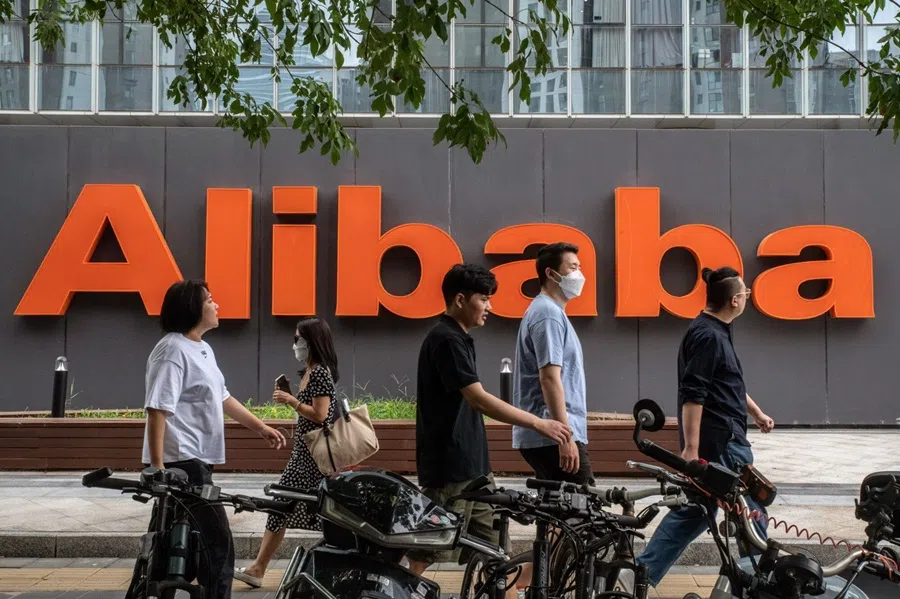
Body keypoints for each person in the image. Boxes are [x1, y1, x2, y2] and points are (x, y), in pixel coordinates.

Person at [406, 263, 572, 598]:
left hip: (473, 467)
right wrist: (539, 422)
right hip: (450, 468)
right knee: (425, 550)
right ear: (460, 299)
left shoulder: (460, 339)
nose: (489, 307)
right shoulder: (446, 339)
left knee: (496, 551)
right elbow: (479, 400)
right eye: (484, 299)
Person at [141, 279, 286, 599]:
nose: (216, 304)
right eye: (209, 300)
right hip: (182, 461)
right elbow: (157, 408)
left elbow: (223, 398)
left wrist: (261, 427)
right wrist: (157, 465)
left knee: (173, 544)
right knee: (218, 544)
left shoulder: (202, 348)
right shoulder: (172, 349)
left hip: (197, 461)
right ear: (192, 309)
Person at [634, 266, 776, 588]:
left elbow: (727, 383)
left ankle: (639, 576)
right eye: (747, 293)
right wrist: (691, 451)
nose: (749, 297)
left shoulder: (713, 330)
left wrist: (755, 412)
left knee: (697, 511)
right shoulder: (709, 335)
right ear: (736, 300)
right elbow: (693, 393)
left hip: (723, 440)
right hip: (723, 446)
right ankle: (756, 584)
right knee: (751, 514)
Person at [235, 316, 340, 588]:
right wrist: (292, 397)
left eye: (299, 339)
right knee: (285, 507)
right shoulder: (310, 371)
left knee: (316, 513)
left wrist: (291, 400)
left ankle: (265, 569)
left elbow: (321, 415)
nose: (295, 344)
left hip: (313, 461)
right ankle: (259, 569)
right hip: (304, 456)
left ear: (313, 341)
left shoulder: (319, 372)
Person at [512, 242, 592, 484]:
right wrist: (566, 439)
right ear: (550, 273)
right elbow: (549, 378)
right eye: (572, 267)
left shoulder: (548, 311)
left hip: (550, 433)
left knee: (559, 513)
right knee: (584, 512)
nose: (579, 274)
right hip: (553, 434)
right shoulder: (548, 314)